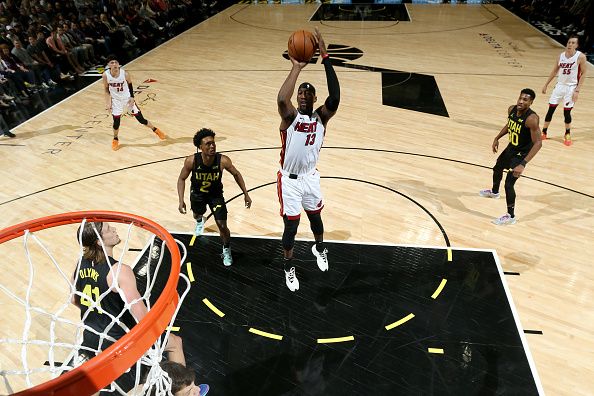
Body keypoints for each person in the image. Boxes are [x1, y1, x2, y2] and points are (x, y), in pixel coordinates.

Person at [72, 221, 185, 394]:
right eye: (108, 230)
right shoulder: (119, 270)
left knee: (97, 384)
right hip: (121, 341)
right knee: (175, 343)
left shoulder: (79, 265)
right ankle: (184, 390)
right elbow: (142, 318)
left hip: (92, 338)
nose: (114, 230)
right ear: (98, 241)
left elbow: (74, 300)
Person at [276, 27, 340, 292]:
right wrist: (296, 68)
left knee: (316, 220)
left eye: (307, 93)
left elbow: (335, 97)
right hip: (289, 181)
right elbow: (282, 98)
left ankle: (320, 247)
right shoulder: (290, 118)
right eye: (300, 93)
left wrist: (324, 55)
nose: (302, 95)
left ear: (314, 99)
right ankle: (289, 267)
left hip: (311, 177)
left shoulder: (320, 118)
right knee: (291, 227)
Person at [177, 128, 252, 266]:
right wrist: (181, 200)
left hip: (215, 196)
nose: (212, 146)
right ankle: (200, 220)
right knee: (197, 213)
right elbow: (181, 179)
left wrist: (246, 194)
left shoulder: (222, 160)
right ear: (200, 147)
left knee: (222, 225)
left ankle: (226, 249)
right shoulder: (191, 161)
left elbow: (236, 174)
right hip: (198, 194)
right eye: (208, 144)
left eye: (213, 143)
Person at [479, 89, 542, 225]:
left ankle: (510, 216)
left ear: (531, 102)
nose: (521, 101)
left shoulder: (532, 119)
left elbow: (538, 143)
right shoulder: (512, 109)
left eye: (525, 100)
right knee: (497, 168)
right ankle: (494, 192)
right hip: (511, 148)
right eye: (520, 98)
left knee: (509, 184)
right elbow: (510, 125)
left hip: (521, 154)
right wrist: (497, 137)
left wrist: (523, 164)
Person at [103, 55, 166, 151]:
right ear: (108, 65)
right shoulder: (105, 75)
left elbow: (130, 85)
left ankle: (155, 130)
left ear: (118, 63)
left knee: (141, 119)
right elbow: (106, 89)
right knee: (116, 122)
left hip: (127, 99)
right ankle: (115, 139)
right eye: (112, 62)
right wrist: (108, 102)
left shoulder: (125, 73)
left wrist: (132, 97)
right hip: (116, 101)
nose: (114, 64)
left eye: (116, 62)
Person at [541, 35, 587, 146]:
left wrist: (577, 90)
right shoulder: (561, 56)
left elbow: (584, 73)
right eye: (569, 42)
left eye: (573, 43)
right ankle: (544, 132)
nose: (570, 44)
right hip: (559, 86)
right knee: (550, 110)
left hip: (571, 88)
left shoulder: (580, 57)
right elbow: (554, 71)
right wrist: (546, 84)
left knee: (566, 112)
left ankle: (567, 133)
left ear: (577, 45)